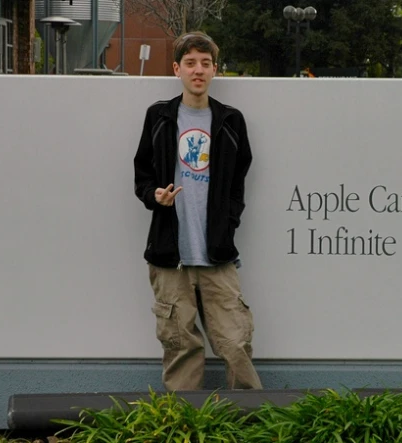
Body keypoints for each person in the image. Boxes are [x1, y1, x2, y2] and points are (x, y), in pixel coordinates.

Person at [132, 31, 260, 391]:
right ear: (177, 69)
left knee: (236, 343)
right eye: (190, 63)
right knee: (180, 346)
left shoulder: (230, 121)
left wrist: (228, 223)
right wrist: (154, 195)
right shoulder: (158, 117)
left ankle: (249, 421)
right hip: (169, 254)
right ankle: (185, 422)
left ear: (215, 69)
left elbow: (238, 183)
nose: (198, 70)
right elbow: (141, 175)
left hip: (217, 254)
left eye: (205, 63)